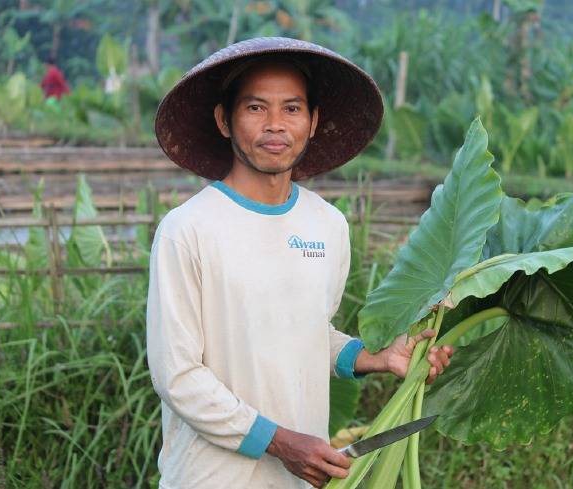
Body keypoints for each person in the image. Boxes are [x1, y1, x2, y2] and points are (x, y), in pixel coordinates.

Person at [147, 37, 455, 489]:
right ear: (224, 120)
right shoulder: (188, 229)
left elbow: (309, 334)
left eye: (291, 109)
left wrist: (379, 357)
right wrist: (280, 442)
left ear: (312, 122)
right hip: (211, 477)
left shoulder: (327, 225)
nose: (275, 125)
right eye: (255, 108)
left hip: (299, 479)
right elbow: (178, 377)